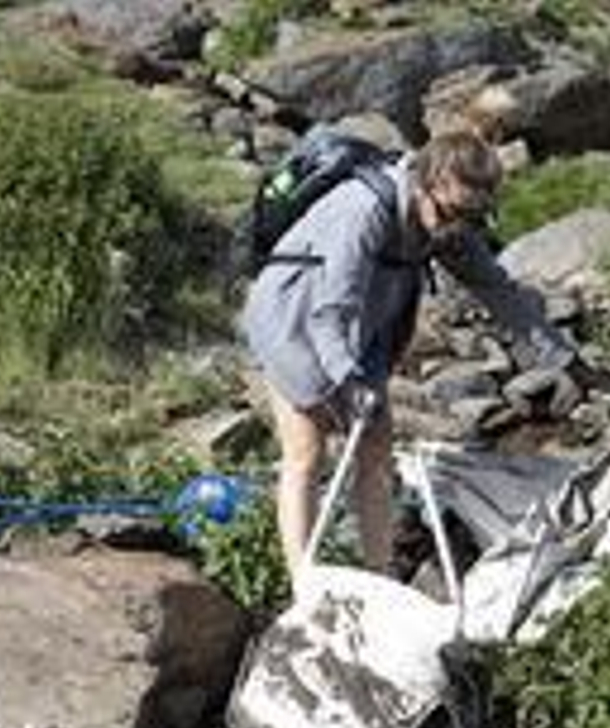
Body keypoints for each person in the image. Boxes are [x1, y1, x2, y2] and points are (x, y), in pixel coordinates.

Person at [242, 128, 585, 588]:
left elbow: (498, 291)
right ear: (426, 183)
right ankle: (303, 585)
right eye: (449, 212)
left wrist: (563, 358)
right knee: (307, 449)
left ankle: (378, 574)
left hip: (359, 329)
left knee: (377, 450)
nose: (456, 227)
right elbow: (330, 311)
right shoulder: (363, 209)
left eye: (472, 216)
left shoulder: (449, 223)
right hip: (295, 318)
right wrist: (350, 379)